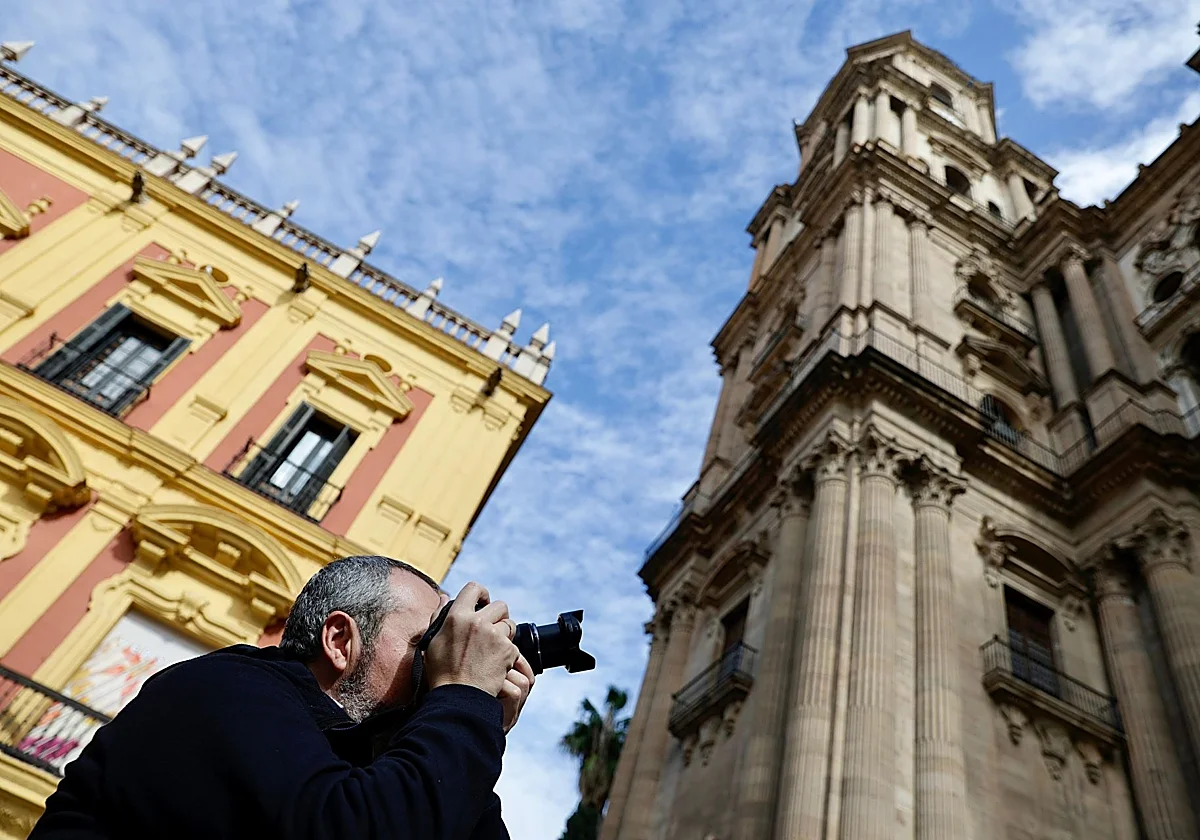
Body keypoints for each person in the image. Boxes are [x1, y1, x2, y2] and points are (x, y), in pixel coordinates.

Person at [29, 554, 534, 839]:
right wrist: (462, 700)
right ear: (340, 641)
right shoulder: (223, 691)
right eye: (431, 642)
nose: (442, 661)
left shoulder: (361, 763)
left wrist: (480, 726)